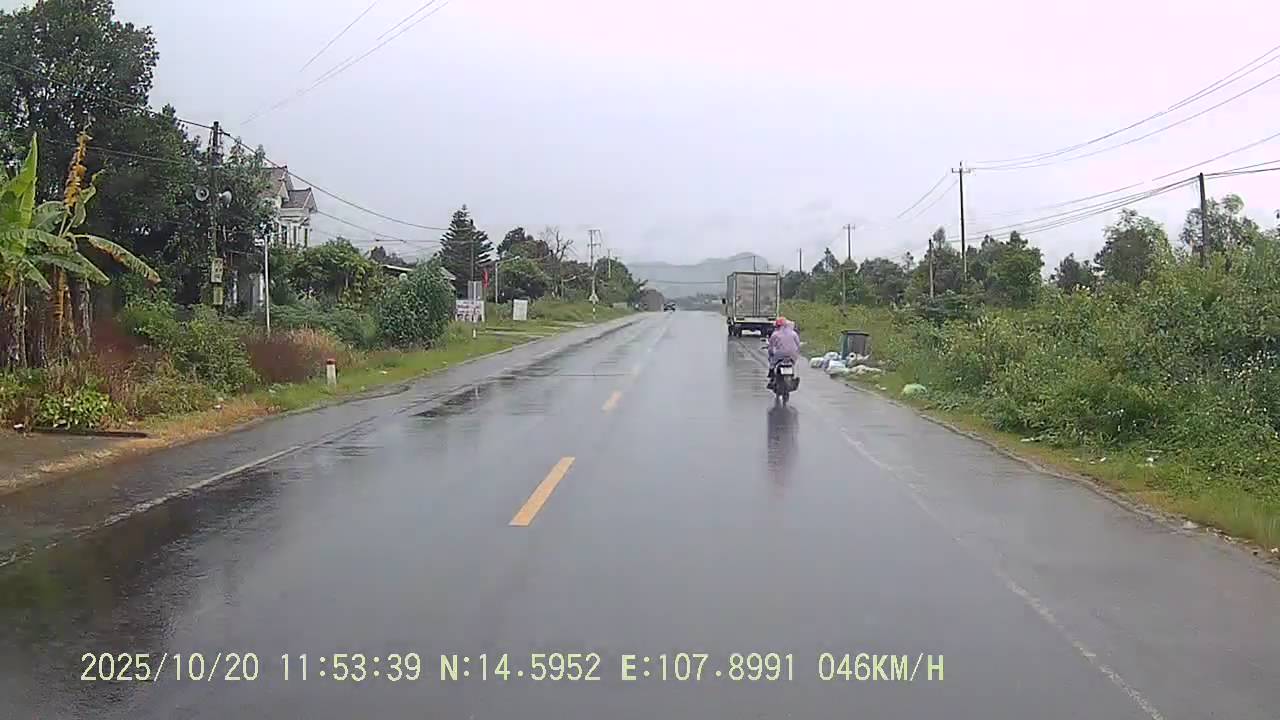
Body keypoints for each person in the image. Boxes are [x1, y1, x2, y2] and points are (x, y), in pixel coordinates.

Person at [766, 316, 801, 388]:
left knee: (772, 363)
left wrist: (771, 354)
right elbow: (798, 345)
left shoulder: (775, 334)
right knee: (793, 364)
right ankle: (793, 377)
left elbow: (771, 348)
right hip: (792, 355)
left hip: (780, 354)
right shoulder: (794, 333)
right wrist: (796, 353)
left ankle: (771, 376)